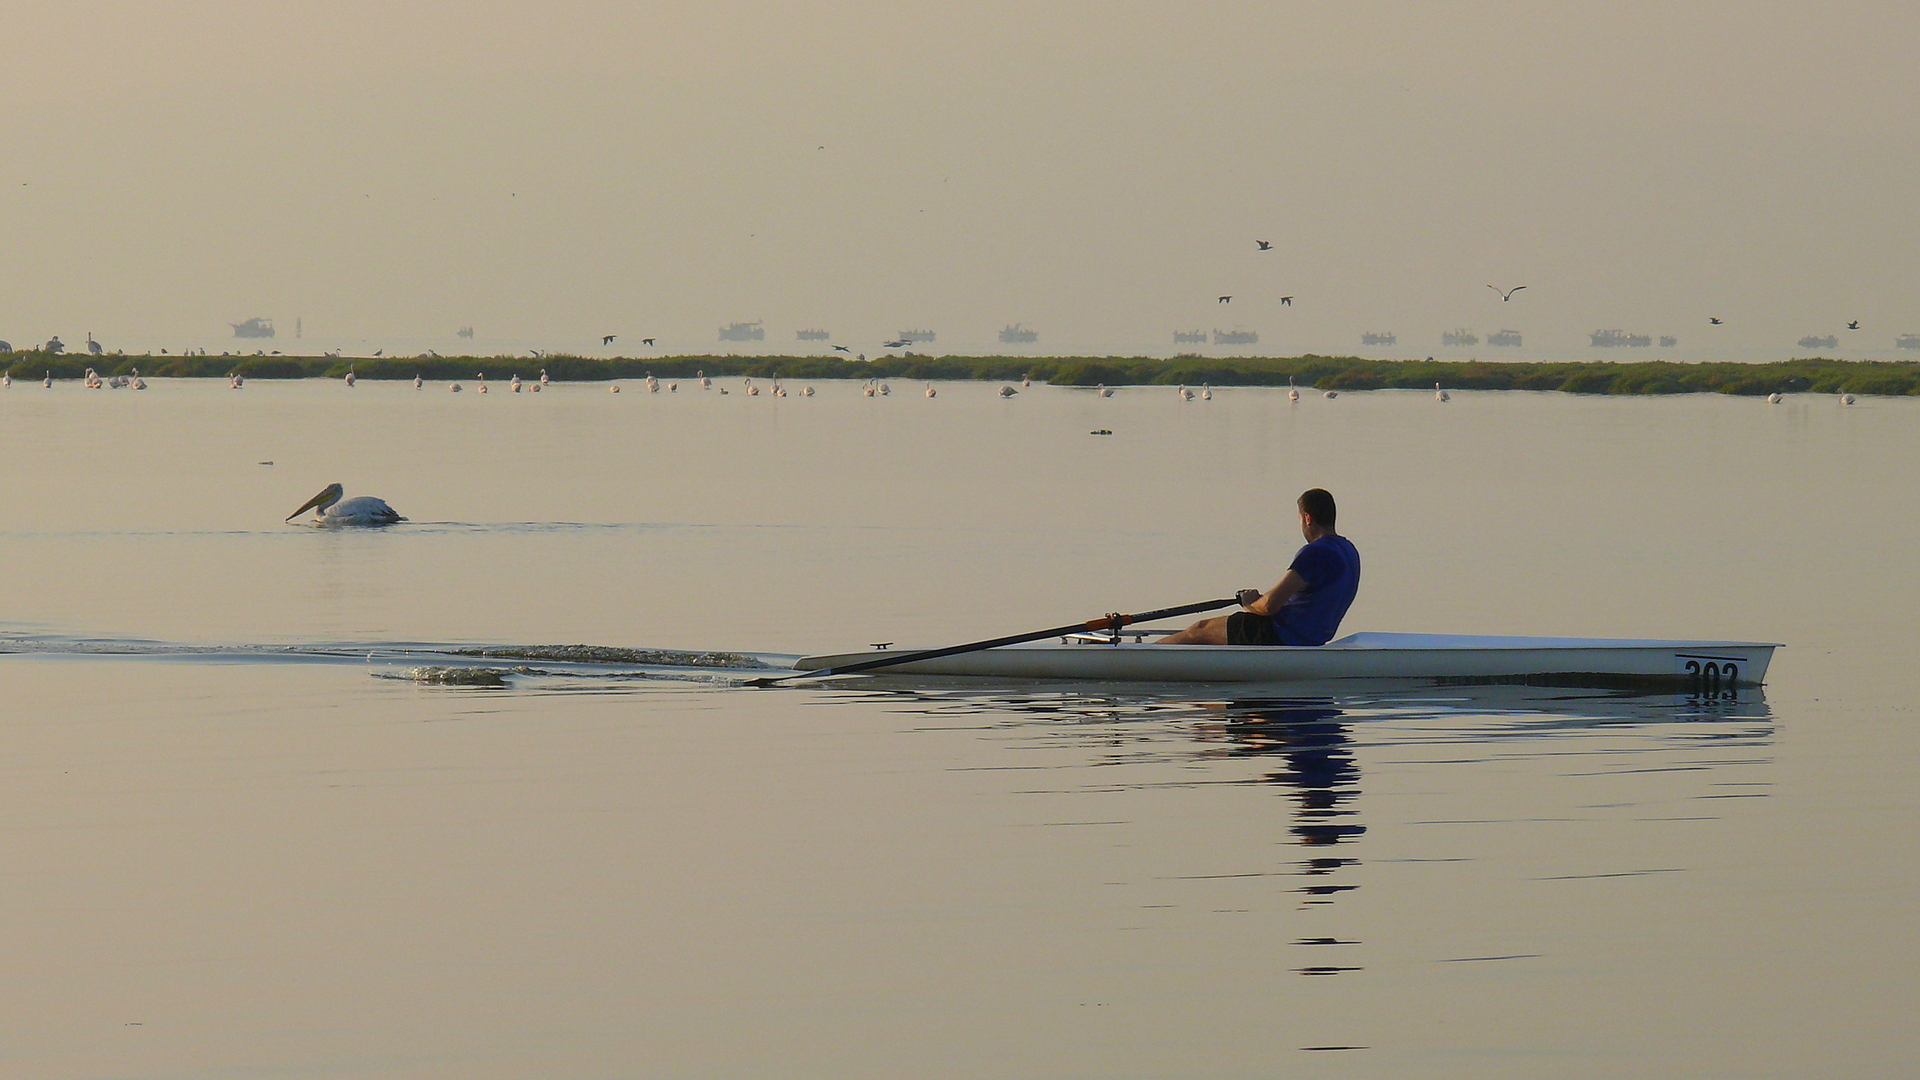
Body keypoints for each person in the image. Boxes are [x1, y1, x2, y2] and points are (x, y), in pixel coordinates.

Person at [1157, 488, 1360, 646]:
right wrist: (1260, 599)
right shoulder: (1349, 550)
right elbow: (1300, 593)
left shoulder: (1314, 552)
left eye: (1300, 519)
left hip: (1278, 634)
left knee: (1200, 630)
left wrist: (1249, 603)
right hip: (1312, 639)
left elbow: (1270, 606)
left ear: (1308, 518)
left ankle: (1142, 657)